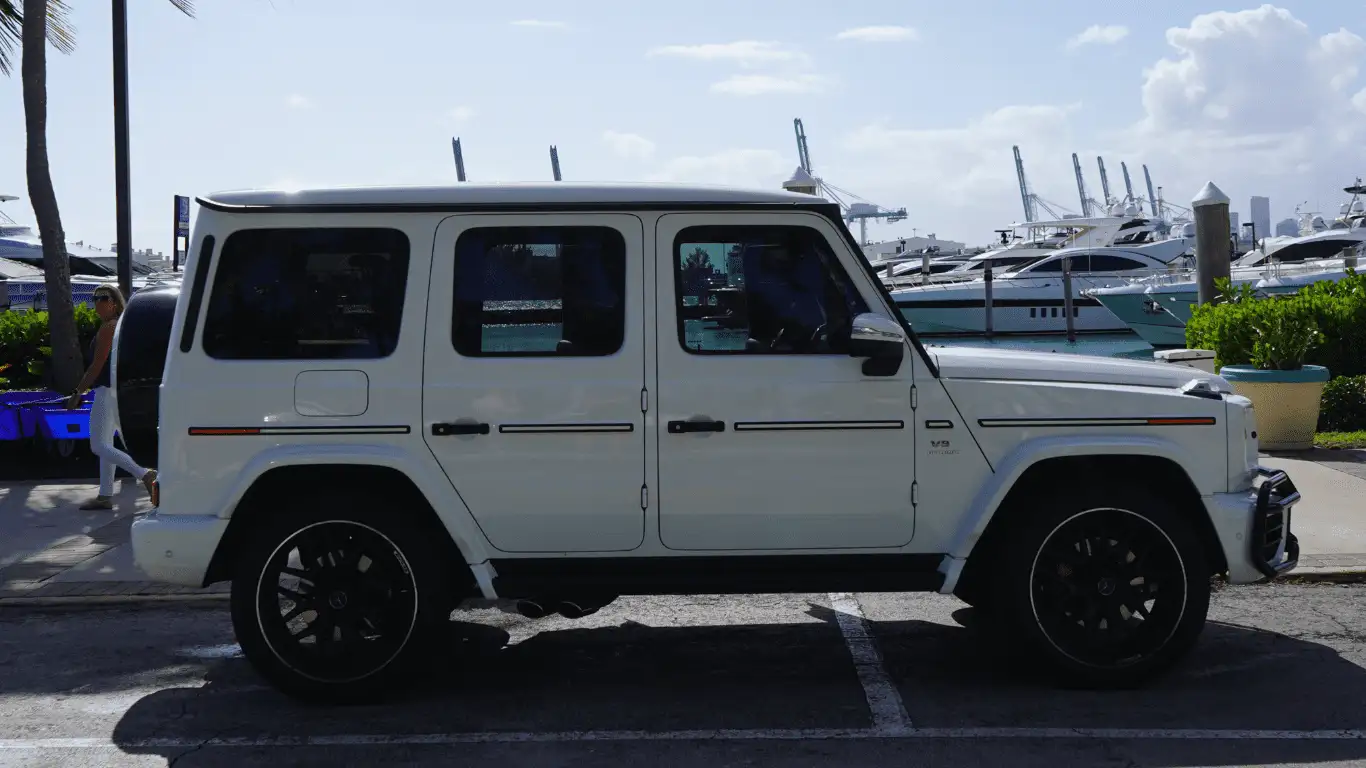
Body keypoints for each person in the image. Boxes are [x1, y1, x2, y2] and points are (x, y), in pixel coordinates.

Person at [65, 285, 159, 510]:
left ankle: (145, 474)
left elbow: (97, 366)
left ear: (114, 302)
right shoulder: (122, 326)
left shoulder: (109, 327)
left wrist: (78, 392)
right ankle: (105, 495)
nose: (97, 302)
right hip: (115, 391)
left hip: (106, 391)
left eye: (103, 298)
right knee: (106, 444)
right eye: (95, 298)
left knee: (98, 445)